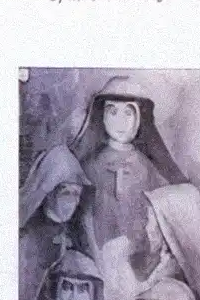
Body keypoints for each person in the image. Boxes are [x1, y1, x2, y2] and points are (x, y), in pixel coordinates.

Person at [71, 77, 185, 270]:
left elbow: (165, 214)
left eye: (128, 113)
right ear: (102, 116)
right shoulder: (89, 166)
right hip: (96, 259)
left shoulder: (147, 167)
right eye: (113, 112)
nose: (120, 122)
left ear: (140, 117)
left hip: (140, 261)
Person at [18, 145, 91, 300]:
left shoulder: (75, 232)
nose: (72, 201)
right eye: (66, 193)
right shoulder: (30, 237)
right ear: (49, 194)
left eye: (76, 194)